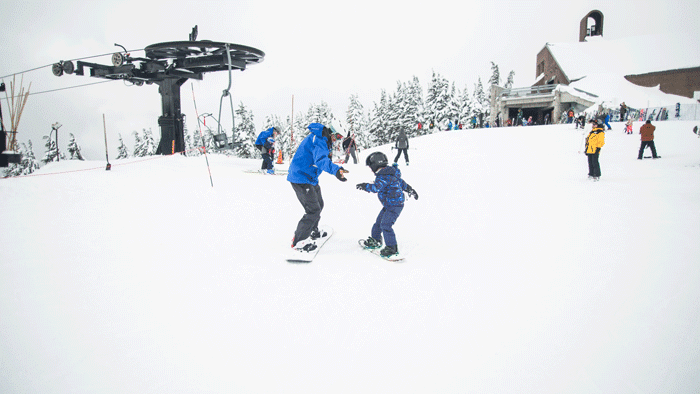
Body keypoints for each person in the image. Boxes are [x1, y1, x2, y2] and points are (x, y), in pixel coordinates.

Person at [287, 123, 348, 251]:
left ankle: (313, 231)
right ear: (331, 132)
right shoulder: (320, 140)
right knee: (313, 210)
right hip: (301, 178)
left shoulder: (324, 140)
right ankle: (299, 242)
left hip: (310, 178)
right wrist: (336, 170)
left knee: (319, 205)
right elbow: (320, 160)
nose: (337, 139)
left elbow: (323, 159)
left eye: (340, 137)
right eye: (337, 136)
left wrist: (336, 169)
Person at [356, 152, 418, 258]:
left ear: (375, 165)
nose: (371, 170)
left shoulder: (383, 176)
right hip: (389, 204)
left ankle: (392, 248)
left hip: (394, 206)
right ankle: (376, 240)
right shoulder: (390, 173)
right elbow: (402, 183)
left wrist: (365, 186)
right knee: (378, 223)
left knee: (385, 225)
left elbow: (376, 188)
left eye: (371, 167)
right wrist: (410, 189)